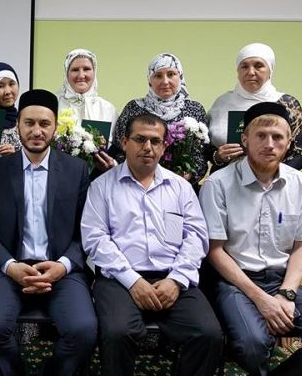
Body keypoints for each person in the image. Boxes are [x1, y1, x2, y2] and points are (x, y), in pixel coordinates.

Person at [200, 102, 302, 375]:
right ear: (245, 139)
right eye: (261, 136)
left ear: (289, 143)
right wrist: (262, 300)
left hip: (282, 281)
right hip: (236, 283)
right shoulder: (218, 184)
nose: (269, 144)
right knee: (252, 344)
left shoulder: (300, 184)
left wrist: (286, 293)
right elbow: (215, 251)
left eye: (277, 137)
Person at [81, 113, 223, 376]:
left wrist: (176, 280)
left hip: (172, 276)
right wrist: (133, 281)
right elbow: (96, 239)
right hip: (119, 279)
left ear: (164, 146)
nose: (148, 147)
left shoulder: (180, 187)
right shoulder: (102, 187)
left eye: (156, 141)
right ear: (124, 143)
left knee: (208, 334)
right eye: (140, 139)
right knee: (118, 332)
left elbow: (195, 236)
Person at [0, 89, 98, 376]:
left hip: (60, 269)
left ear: (55, 128)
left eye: (44, 124)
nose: (36, 131)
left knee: (83, 330)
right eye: (29, 123)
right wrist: (10, 266)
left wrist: (62, 266)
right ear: (17, 125)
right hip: (7, 268)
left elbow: (86, 230)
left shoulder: (77, 170)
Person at [207, 43, 302, 172]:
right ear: (237, 71)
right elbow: (205, 148)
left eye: (258, 66)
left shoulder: (286, 104)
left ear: (270, 70)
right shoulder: (222, 103)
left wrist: (267, 176)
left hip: (273, 182)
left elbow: (301, 153)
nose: (251, 72)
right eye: (244, 66)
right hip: (223, 180)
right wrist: (218, 156)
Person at [108, 53, 208, 184]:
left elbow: (202, 154)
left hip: (182, 185)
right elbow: (119, 149)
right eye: (158, 76)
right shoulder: (133, 108)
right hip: (136, 183)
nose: (165, 81)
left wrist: (189, 175)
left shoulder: (195, 109)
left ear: (180, 76)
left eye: (171, 74)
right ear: (150, 80)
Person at [55, 48, 118, 173]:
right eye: (75, 70)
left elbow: (118, 148)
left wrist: (112, 163)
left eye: (86, 69)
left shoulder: (107, 108)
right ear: (66, 73)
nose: (81, 75)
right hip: (59, 174)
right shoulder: (54, 104)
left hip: (99, 176)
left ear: (94, 72)